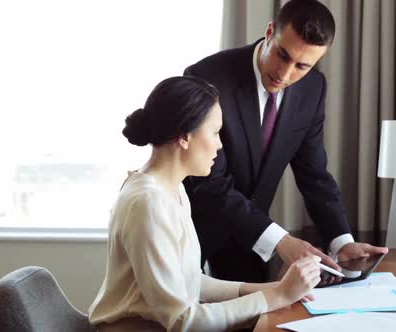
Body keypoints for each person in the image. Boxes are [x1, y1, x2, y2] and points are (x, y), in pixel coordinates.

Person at [89, 76, 322, 331]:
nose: (220, 144)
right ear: (185, 137)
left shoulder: (170, 188)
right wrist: (276, 297)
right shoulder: (149, 203)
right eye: (215, 132)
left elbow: (189, 281)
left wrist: (274, 290)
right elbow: (182, 321)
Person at [184, 0, 388, 283]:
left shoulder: (313, 88)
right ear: (270, 32)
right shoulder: (207, 77)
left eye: (301, 66)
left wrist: (342, 241)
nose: (284, 73)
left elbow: (314, 174)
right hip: (193, 230)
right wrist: (281, 241)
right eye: (282, 55)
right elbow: (208, 182)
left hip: (250, 239)